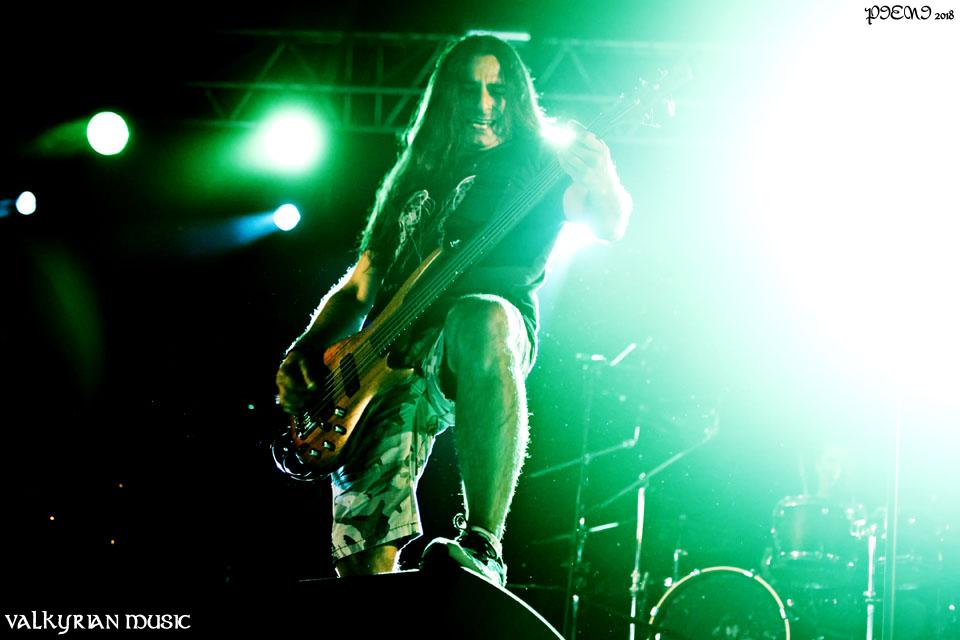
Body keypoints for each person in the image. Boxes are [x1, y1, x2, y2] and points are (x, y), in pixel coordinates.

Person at [275, 34, 632, 588]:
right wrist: (306, 346)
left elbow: (608, 223)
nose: (484, 103)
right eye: (469, 89)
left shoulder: (538, 163)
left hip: (480, 328)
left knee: (480, 316)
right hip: (382, 355)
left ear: (516, 97)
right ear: (446, 97)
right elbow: (361, 284)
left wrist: (602, 174)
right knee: (363, 565)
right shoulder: (414, 172)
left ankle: (484, 544)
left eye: (497, 90)